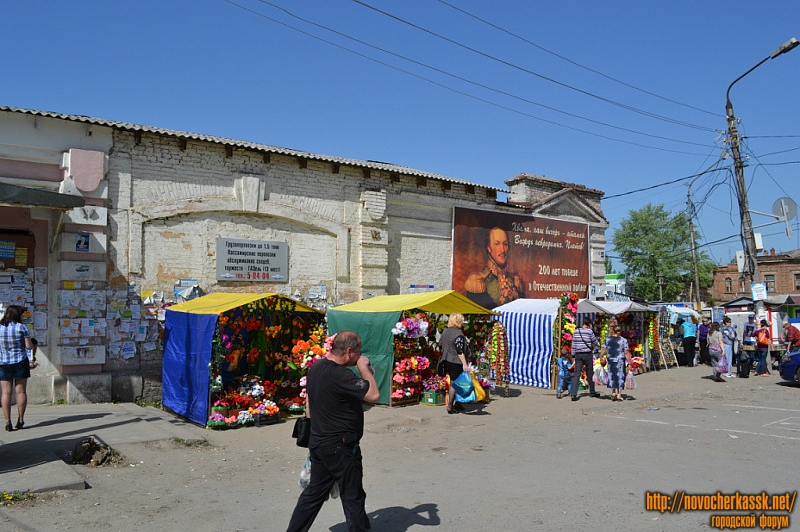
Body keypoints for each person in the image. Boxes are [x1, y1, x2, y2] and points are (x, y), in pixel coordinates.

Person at [286, 331, 379, 532]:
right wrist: (364, 368)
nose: (360, 354)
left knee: (314, 493)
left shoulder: (316, 368)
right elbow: (373, 394)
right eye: (359, 351)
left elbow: (309, 403)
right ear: (349, 351)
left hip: (320, 442)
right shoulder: (341, 374)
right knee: (352, 495)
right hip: (341, 446)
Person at [465, 226, 525, 308]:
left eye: (505, 244)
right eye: (497, 244)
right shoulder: (478, 281)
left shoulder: (515, 281)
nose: (502, 250)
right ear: (489, 248)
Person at [0, 305, 34, 432]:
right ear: (17, 315)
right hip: (20, 361)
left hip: (3, 362)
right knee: (20, 392)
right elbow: (28, 346)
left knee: (5, 393)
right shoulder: (22, 327)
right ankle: (20, 420)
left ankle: (7, 421)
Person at [439, 313, 470, 414]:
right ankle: (450, 405)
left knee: (457, 381)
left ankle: (458, 403)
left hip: (446, 359)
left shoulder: (445, 332)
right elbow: (459, 350)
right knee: (455, 382)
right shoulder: (458, 333)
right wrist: (465, 364)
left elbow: (440, 344)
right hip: (456, 361)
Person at [570, 319, 600, 401]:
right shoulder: (589, 332)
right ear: (589, 324)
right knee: (590, 373)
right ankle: (592, 391)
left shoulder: (576, 331)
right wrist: (597, 343)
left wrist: (573, 355)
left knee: (577, 374)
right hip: (587, 354)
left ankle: (574, 394)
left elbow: (573, 344)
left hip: (578, 355)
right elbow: (595, 341)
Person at [601, 325, 631, 402]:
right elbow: (626, 352)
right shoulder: (623, 340)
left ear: (612, 331)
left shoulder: (608, 339)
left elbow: (604, 349)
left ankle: (613, 393)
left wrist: (601, 357)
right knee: (620, 377)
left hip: (610, 360)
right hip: (620, 361)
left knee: (612, 376)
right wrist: (630, 362)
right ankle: (619, 394)